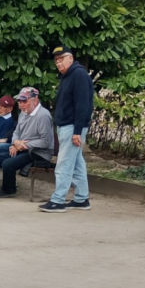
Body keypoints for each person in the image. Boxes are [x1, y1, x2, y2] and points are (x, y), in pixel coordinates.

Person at [0, 87, 55, 199]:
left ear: (35, 99)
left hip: (38, 153)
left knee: (8, 163)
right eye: (19, 101)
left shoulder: (43, 115)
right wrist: (15, 142)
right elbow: (16, 132)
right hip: (22, 148)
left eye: (24, 101)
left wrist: (22, 145)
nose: (20, 104)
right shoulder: (23, 113)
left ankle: (8, 190)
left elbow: (46, 141)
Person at [39, 45, 94, 212]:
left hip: (72, 127)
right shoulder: (68, 76)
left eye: (61, 59)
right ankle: (81, 198)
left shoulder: (78, 75)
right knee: (77, 164)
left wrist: (77, 131)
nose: (58, 63)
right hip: (67, 126)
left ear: (71, 58)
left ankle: (58, 200)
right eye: (56, 60)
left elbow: (83, 105)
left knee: (64, 164)